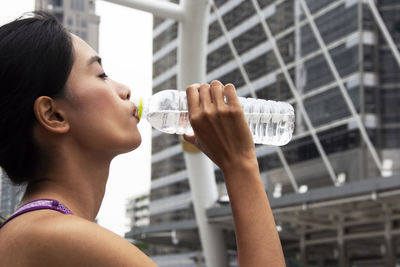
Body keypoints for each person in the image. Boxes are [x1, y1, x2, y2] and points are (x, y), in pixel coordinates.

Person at [0, 12, 285, 266]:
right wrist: (240, 164)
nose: (124, 89)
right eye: (101, 74)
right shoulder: (58, 236)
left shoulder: (33, 230)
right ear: (53, 115)